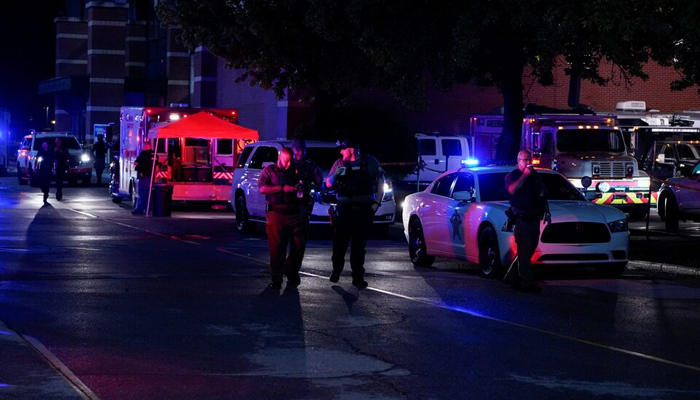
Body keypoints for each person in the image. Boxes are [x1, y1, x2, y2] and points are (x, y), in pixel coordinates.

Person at [326, 136, 385, 288]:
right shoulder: (339, 163)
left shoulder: (369, 162)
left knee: (359, 245)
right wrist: (335, 175)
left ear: (351, 149)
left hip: (364, 209)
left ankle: (357, 277)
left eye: (343, 148)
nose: (341, 151)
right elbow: (328, 183)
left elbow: (380, 180)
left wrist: (377, 202)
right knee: (339, 243)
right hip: (344, 208)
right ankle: (336, 271)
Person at [503, 150, 550, 293]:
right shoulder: (513, 176)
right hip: (521, 219)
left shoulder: (535, 176)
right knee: (524, 250)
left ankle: (511, 276)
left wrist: (547, 211)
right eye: (525, 160)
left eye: (530, 159)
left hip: (534, 218)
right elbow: (512, 189)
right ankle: (527, 283)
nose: (528, 163)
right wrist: (525, 175)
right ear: (518, 160)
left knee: (529, 250)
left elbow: (542, 194)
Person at [259, 147, 306, 290]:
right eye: (286, 161)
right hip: (276, 214)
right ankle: (276, 279)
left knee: (298, 247)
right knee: (276, 249)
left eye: (290, 161)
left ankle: (291, 272)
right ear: (279, 157)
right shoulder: (269, 171)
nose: (288, 164)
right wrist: (282, 188)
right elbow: (262, 188)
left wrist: (300, 188)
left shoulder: (295, 171)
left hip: (294, 213)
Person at [133, 141, 154, 215]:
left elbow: (136, 162)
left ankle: (139, 209)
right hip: (151, 177)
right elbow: (156, 165)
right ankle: (148, 208)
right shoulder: (154, 154)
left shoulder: (143, 154)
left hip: (144, 177)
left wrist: (137, 165)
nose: (143, 147)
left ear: (146, 146)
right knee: (149, 194)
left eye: (144, 145)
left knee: (142, 193)